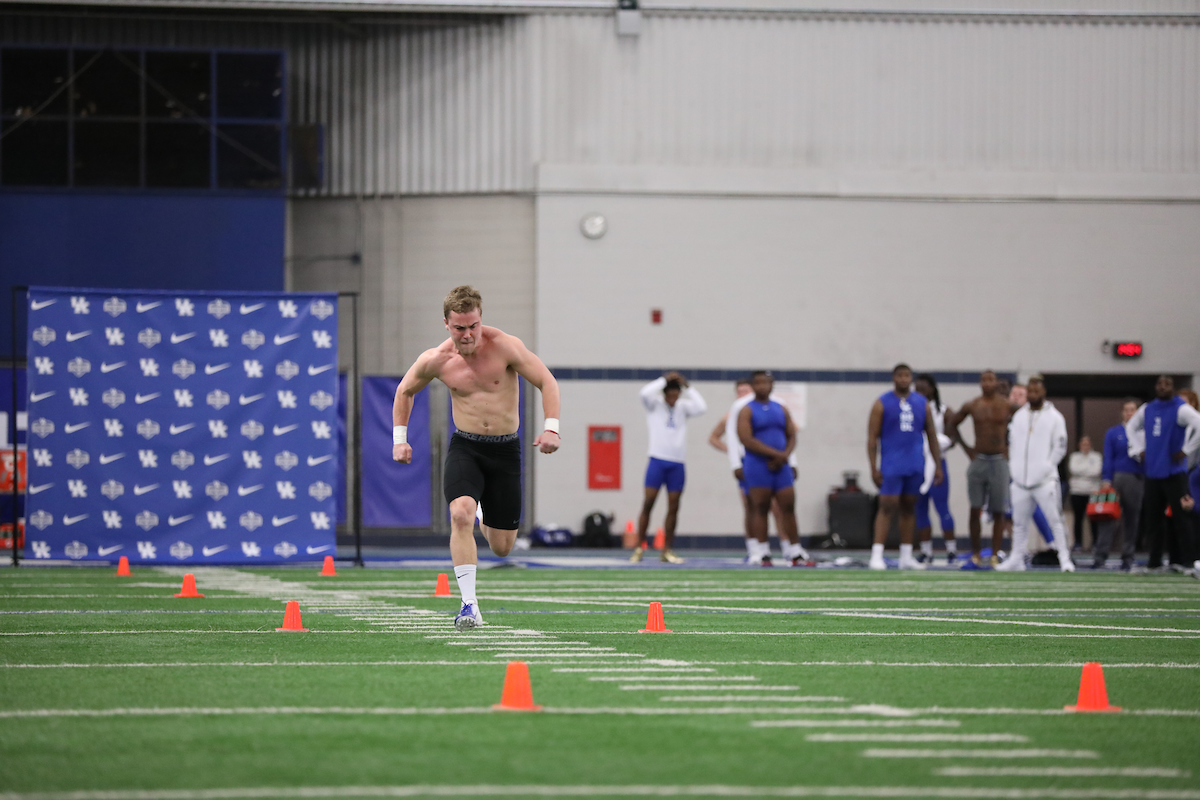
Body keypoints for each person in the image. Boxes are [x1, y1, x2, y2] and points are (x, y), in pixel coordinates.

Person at [392, 286, 561, 631]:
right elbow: (405, 390)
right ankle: (469, 605)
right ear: (446, 324)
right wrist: (400, 439)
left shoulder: (505, 347)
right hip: (466, 447)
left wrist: (552, 428)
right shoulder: (436, 360)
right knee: (459, 513)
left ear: (481, 319)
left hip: (505, 450)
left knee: (502, 548)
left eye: (474, 326)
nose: (468, 335)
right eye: (460, 328)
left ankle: (482, 508)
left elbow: (546, 381)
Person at [711, 378, 799, 565]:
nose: (743, 394)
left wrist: (789, 458)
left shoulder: (777, 407)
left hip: (778, 461)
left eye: (746, 390)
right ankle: (755, 549)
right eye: (740, 391)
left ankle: (788, 547)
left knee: (779, 508)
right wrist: (734, 460)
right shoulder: (737, 410)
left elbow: (790, 433)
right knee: (752, 506)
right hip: (751, 461)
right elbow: (730, 439)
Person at [866, 364, 943, 571]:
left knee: (910, 507)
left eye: (907, 375)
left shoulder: (922, 403)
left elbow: (932, 435)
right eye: (900, 375)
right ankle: (877, 554)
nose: (903, 379)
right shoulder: (881, 403)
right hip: (891, 464)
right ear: (894, 378)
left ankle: (906, 555)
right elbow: (872, 439)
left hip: (915, 463)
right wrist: (873, 467)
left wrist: (937, 465)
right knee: (887, 506)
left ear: (911, 379)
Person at [996, 375, 1074, 572]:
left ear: (1043, 392)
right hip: (1020, 480)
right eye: (1029, 391)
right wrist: (1014, 467)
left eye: (1036, 391)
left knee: (1055, 519)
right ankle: (1016, 559)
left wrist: (1048, 466)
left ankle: (1064, 558)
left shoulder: (1054, 417)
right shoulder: (1019, 415)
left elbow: (1060, 446)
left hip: (1044, 480)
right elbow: (1011, 443)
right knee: (1019, 524)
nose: (1032, 394)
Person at [630, 371, 707, 564]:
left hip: (677, 463)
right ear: (664, 394)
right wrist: (664, 379)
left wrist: (688, 386)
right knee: (648, 503)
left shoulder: (683, 407)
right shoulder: (654, 405)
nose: (674, 398)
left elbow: (702, 407)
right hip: (657, 460)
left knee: (674, 507)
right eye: (670, 394)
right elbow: (644, 393)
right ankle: (640, 546)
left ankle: (667, 549)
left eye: (677, 394)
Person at [1125, 375, 1200, 572]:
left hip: (1175, 472)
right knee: (1153, 521)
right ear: (1156, 387)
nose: (1163, 387)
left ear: (1172, 387)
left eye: (1167, 384)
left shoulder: (1180, 408)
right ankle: (1154, 562)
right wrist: (1137, 449)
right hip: (1153, 472)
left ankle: (1189, 562)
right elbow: (1131, 428)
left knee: (1182, 518)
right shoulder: (1147, 409)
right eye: (1160, 384)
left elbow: (1199, 424)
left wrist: (1187, 450)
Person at [736, 371, 810, 567]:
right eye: (758, 383)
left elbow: (792, 435)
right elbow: (746, 439)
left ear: (772, 385)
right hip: (758, 465)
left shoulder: (781, 408)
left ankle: (795, 551)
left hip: (781, 466)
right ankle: (763, 552)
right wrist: (775, 454)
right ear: (753, 386)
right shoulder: (746, 410)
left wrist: (785, 455)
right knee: (759, 508)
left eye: (766, 382)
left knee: (788, 507)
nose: (762, 386)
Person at [948, 370, 1012, 569]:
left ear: (996, 382)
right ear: (980, 383)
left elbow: (1026, 421)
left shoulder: (1006, 405)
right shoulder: (973, 405)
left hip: (999, 461)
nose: (988, 383)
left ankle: (994, 554)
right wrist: (967, 449)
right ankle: (976, 553)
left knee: (999, 510)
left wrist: (1009, 446)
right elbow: (951, 424)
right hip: (979, 460)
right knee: (975, 508)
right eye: (984, 379)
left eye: (991, 379)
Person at [1093, 399, 1143, 571]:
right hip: (1117, 477)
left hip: (1136, 477)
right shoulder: (1114, 433)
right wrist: (1106, 479)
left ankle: (1128, 557)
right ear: (1122, 412)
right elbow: (1108, 456)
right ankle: (1100, 556)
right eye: (1126, 410)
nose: (1129, 413)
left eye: (1132, 410)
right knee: (1107, 518)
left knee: (1132, 520)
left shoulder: (1143, 433)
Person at [913, 374, 957, 564]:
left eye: (924, 389)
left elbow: (953, 438)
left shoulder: (944, 411)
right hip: (918, 464)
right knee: (920, 509)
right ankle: (926, 551)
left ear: (932, 389)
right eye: (918, 390)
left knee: (942, 508)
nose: (921, 393)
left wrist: (937, 443)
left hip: (938, 462)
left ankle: (951, 550)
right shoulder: (912, 409)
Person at [1067, 436, 1103, 551]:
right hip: (1077, 492)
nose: (1085, 446)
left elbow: (1096, 471)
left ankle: (1095, 543)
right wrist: (1088, 469)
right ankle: (1077, 543)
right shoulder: (1074, 456)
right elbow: (1073, 469)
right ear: (1079, 445)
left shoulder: (1096, 456)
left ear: (1090, 445)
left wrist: (1081, 471)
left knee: (1094, 519)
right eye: (1083, 444)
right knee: (1078, 519)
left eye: (1087, 444)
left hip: (1092, 492)